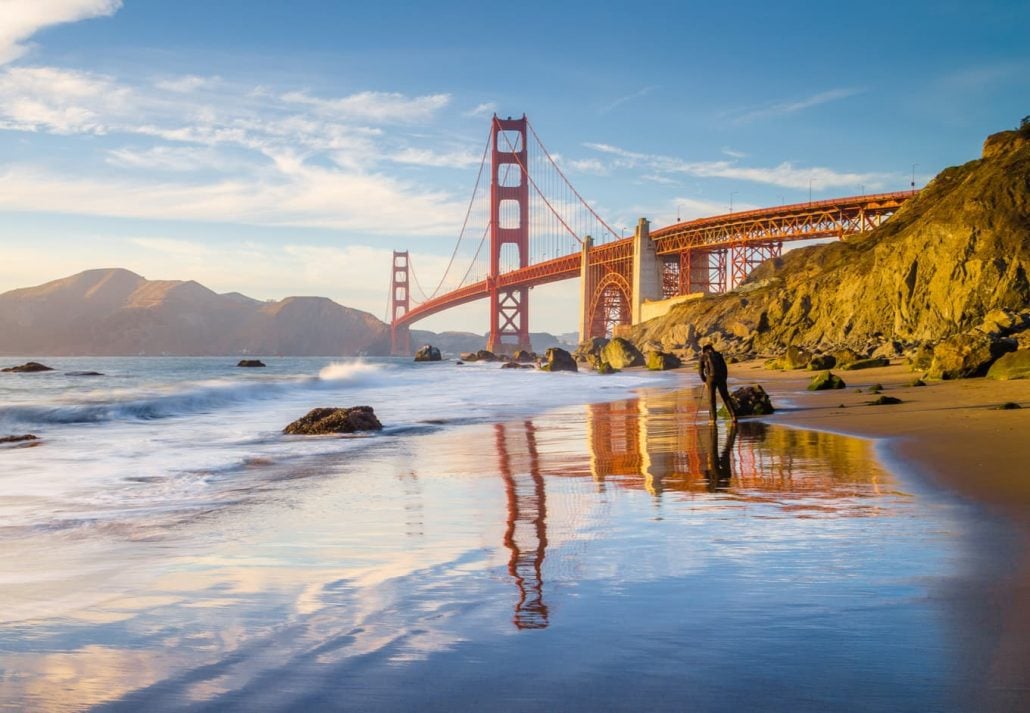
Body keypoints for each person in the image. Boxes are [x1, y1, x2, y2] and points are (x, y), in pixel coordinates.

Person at [698, 344, 737, 423]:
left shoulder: (703, 357)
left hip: (710, 378)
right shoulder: (718, 355)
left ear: (704, 350)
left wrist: (704, 381)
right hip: (721, 378)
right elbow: (725, 368)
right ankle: (733, 416)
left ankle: (713, 419)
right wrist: (724, 379)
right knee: (726, 397)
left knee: (712, 399)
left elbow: (700, 372)